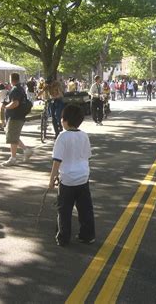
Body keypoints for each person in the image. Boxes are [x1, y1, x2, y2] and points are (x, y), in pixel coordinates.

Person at [49, 104, 95, 246]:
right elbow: (87, 156)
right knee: (85, 209)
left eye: (62, 118)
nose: (61, 120)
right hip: (83, 177)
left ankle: (63, 237)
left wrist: (52, 179)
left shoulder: (62, 137)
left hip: (67, 180)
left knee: (64, 210)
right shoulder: (84, 135)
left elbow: (57, 161)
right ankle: (87, 235)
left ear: (66, 120)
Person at [2, 73, 33, 166]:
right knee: (14, 136)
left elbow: (15, 103)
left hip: (15, 116)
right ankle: (26, 150)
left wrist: (5, 107)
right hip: (19, 116)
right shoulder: (21, 89)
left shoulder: (15, 89)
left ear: (11, 79)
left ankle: (13, 158)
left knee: (12, 138)